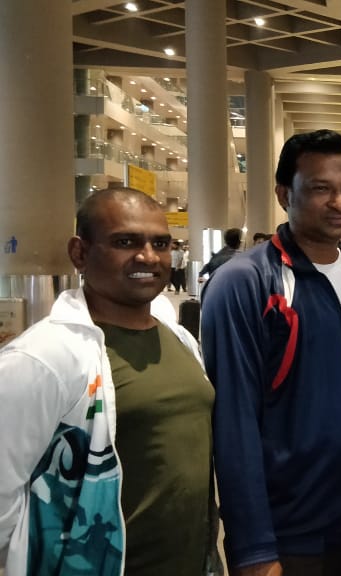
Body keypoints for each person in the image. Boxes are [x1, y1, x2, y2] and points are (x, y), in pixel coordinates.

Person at [201, 129, 341, 575]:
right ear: (284, 194)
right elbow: (233, 420)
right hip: (287, 535)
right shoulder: (246, 283)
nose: (340, 202)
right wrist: (254, 548)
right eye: (321, 189)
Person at [0, 187, 217, 575]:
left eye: (160, 244)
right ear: (80, 253)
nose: (148, 257)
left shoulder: (179, 338)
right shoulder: (43, 358)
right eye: (125, 242)